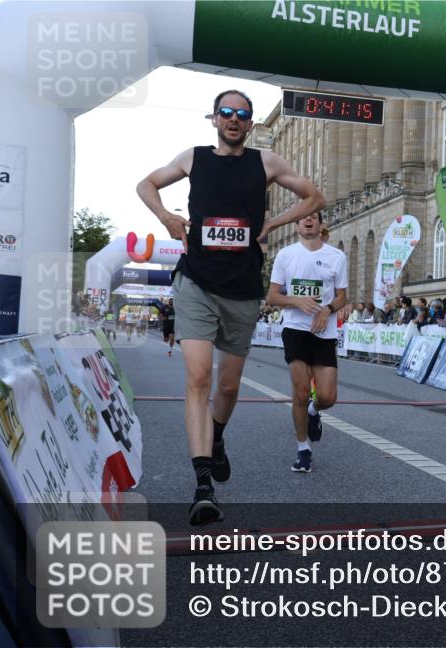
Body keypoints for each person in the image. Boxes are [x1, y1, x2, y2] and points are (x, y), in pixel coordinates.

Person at [136, 89, 325, 525]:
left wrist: (272, 222)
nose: (233, 119)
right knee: (199, 378)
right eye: (226, 112)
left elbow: (314, 197)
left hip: (242, 288)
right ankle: (203, 485)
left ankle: (217, 435)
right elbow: (146, 185)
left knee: (228, 387)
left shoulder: (267, 162)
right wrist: (166, 217)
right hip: (196, 282)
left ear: (250, 123)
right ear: (214, 118)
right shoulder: (194, 158)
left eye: (241, 114)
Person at [264, 212, 347, 473]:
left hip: (324, 332)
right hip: (295, 329)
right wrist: (296, 301)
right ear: (297, 225)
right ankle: (303, 450)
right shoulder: (286, 255)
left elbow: (342, 296)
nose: (308, 221)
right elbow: (272, 297)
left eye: (313, 217)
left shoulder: (337, 256)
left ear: (320, 224)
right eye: (304, 218)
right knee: (300, 391)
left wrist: (328, 310)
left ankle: (314, 410)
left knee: (327, 397)